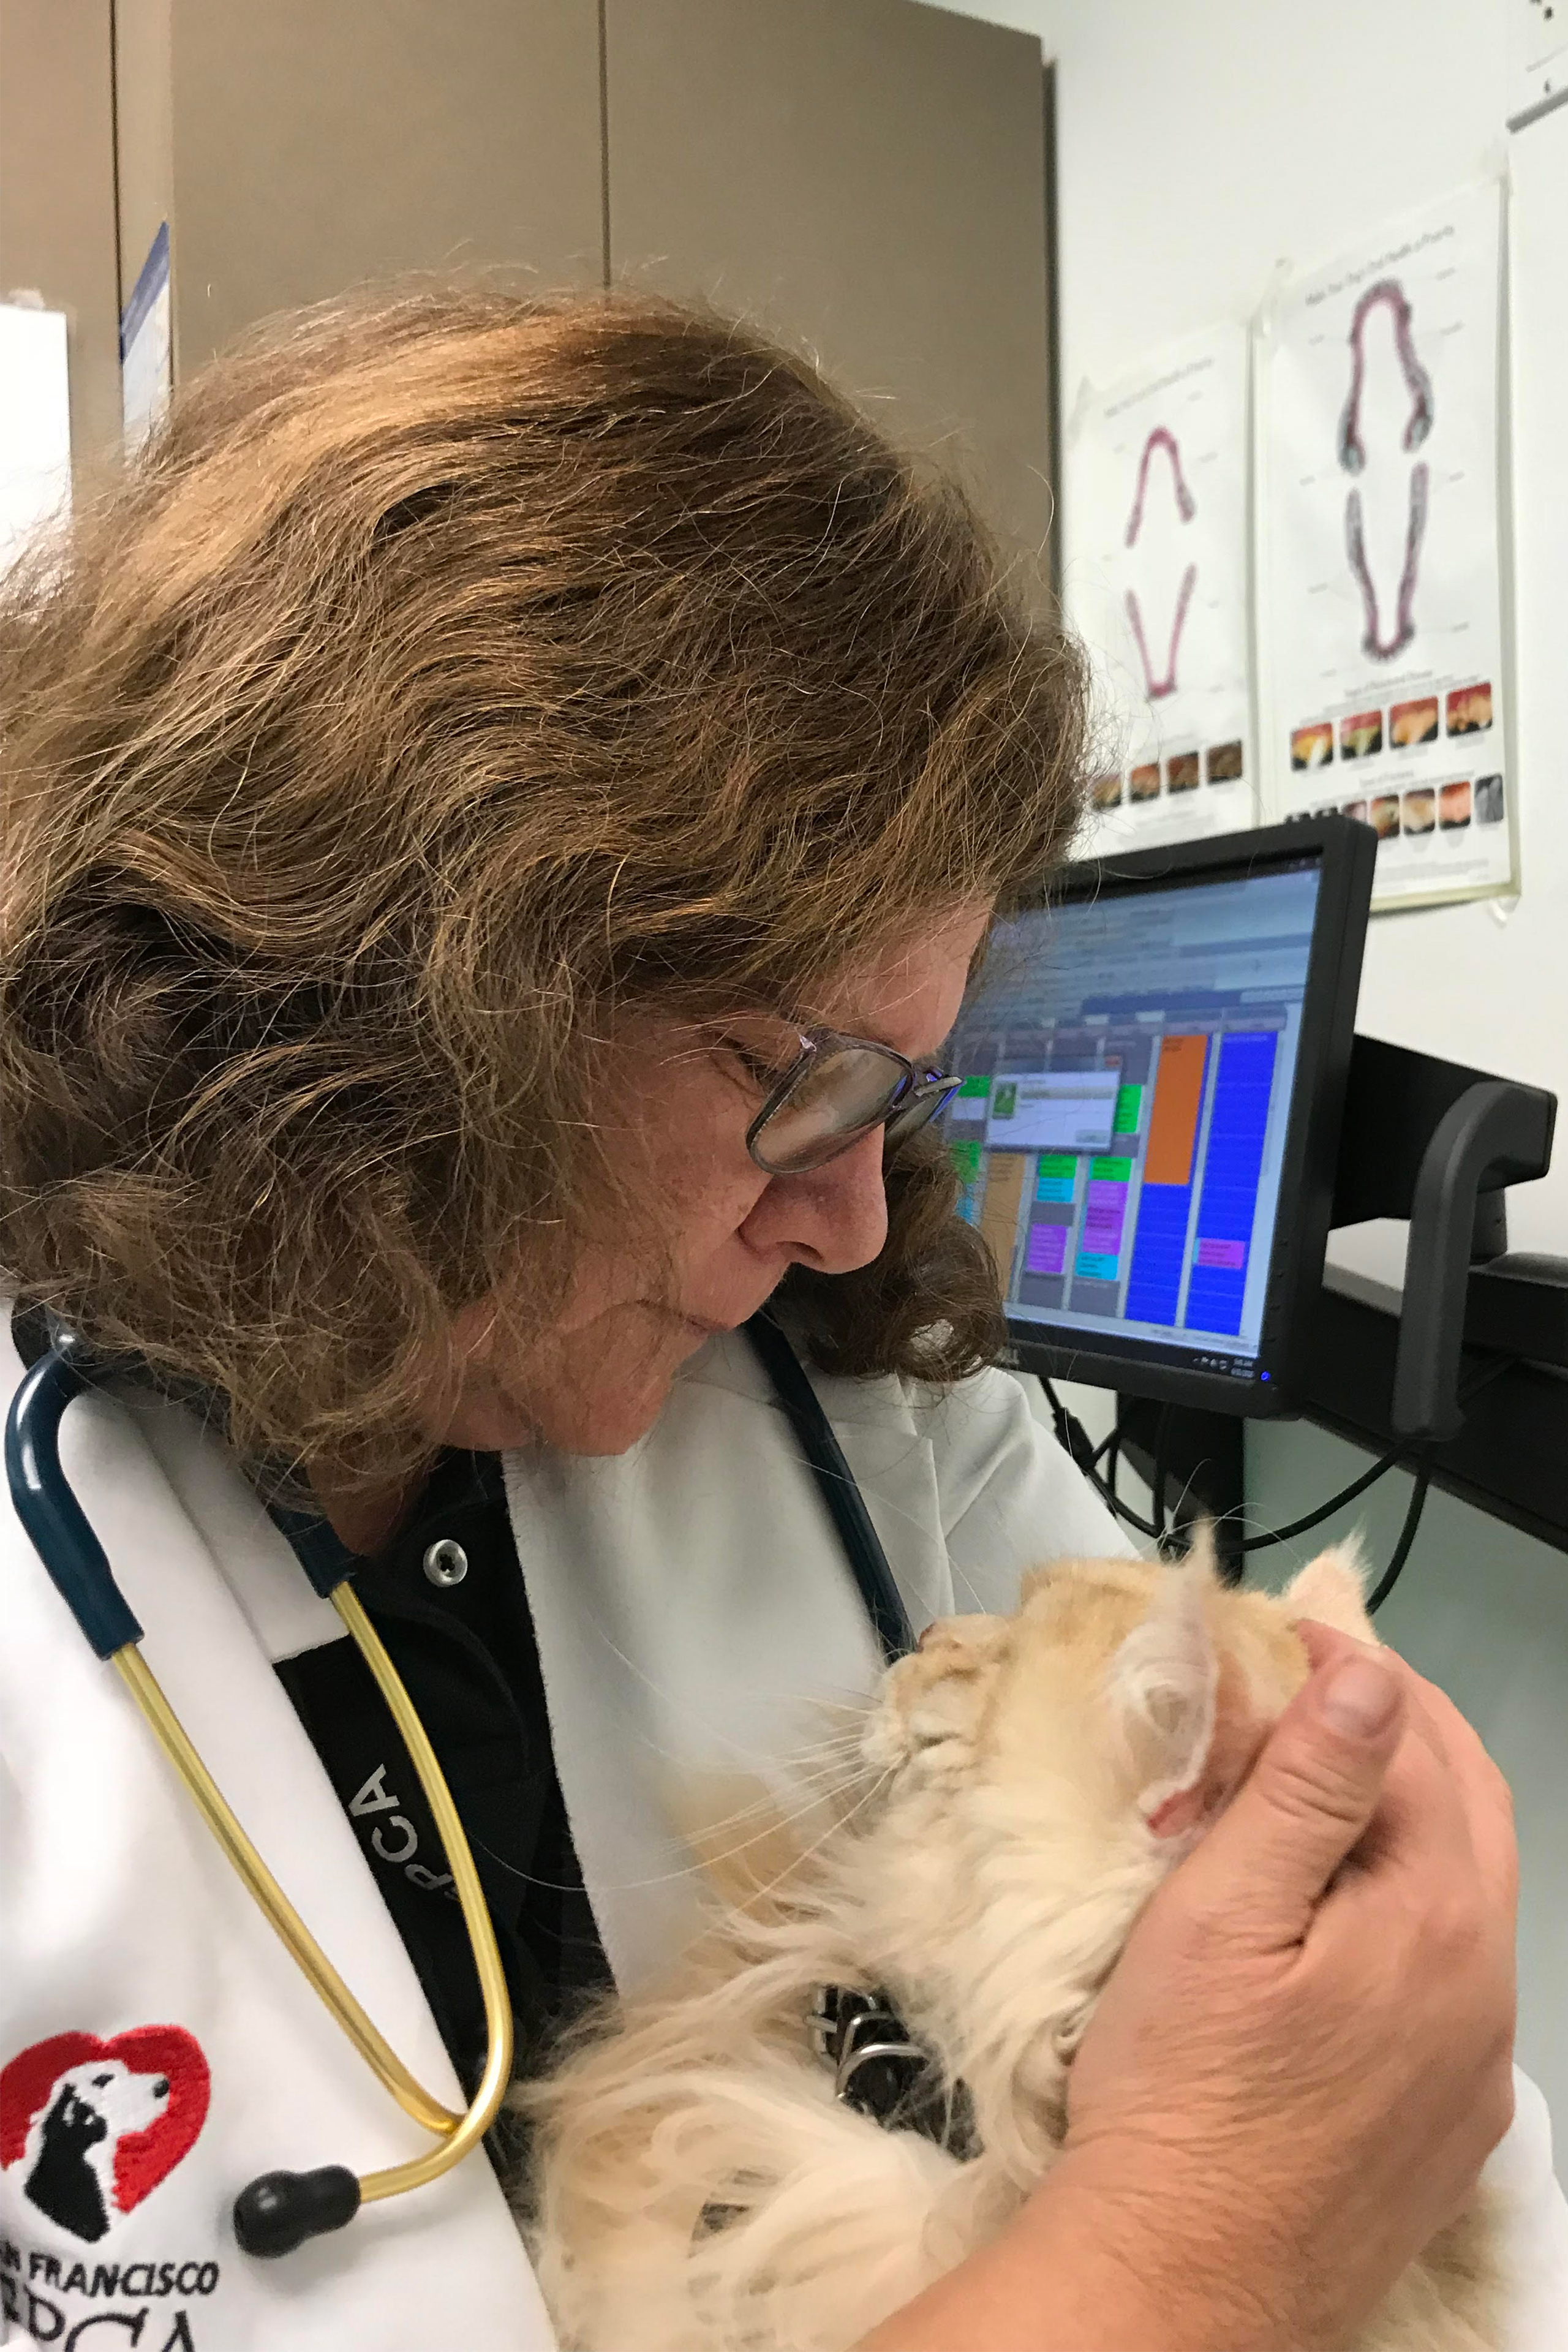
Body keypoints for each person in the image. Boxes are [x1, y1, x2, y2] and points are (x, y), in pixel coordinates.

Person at [0, 287, 1558, 2352]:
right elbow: (1268, 2179)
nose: (848, 1229)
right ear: (407, 1002)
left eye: (897, 1102)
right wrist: (1186, 2253)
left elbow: (1415, 2119)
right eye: (802, 1084)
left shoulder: (864, 1425)